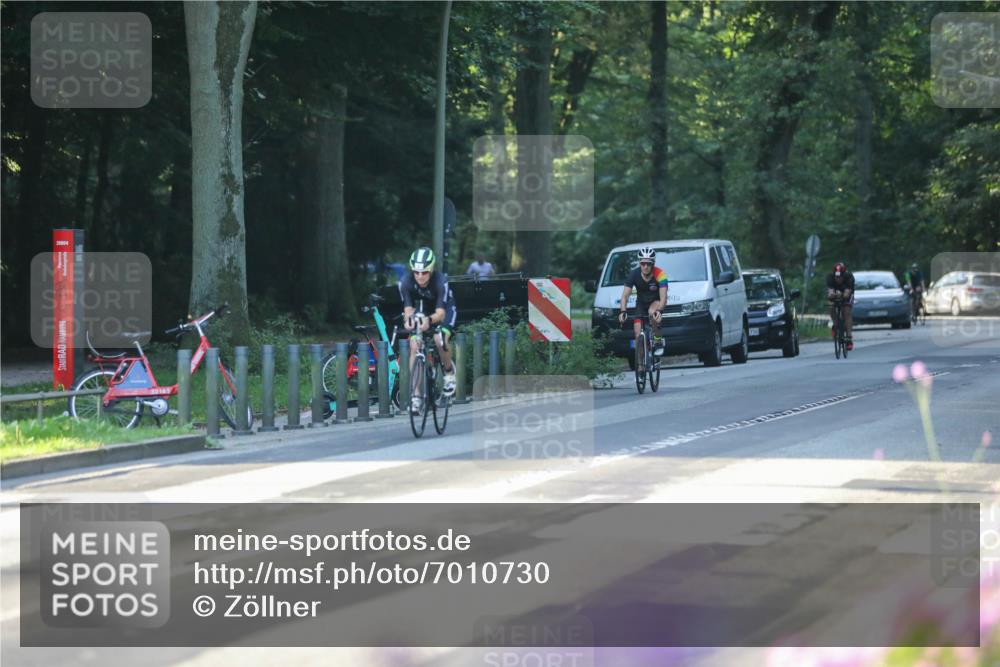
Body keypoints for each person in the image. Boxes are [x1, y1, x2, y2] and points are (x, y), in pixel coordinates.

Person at [399, 247, 458, 414]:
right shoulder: (405, 282)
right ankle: (416, 396)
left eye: (424, 272)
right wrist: (409, 321)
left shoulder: (440, 281)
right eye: (416, 272)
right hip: (422, 309)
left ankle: (449, 374)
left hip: (444, 309)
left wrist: (429, 321)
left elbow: (440, 314)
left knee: (440, 340)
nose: (420, 276)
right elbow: (408, 309)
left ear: (431, 270)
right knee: (414, 345)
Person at [618, 246, 668, 367]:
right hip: (641, 304)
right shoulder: (634, 274)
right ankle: (641, 365)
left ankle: (657, 341)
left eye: (648, 264)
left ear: (653, 264)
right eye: (643, 263)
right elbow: (625, 296)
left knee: (652, 312)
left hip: (656, 302)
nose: (645, 266)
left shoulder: (660, 274)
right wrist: (623, 311)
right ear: (639, 263)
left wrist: (660, 311)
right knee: (637, 334)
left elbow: (664, 297)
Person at [826, 262, 855, 350]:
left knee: (846, 311)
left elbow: (846, 294)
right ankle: (835, 324)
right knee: (830, 306)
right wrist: (832, 294)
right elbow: (830, 293)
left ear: (844, 275)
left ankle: (849, 337)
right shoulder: (830, 277)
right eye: (836, 277)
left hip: (847, 294)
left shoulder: (849, 277)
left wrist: (840, 294)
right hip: (836, 294)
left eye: (840, 277)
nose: (838, 279)